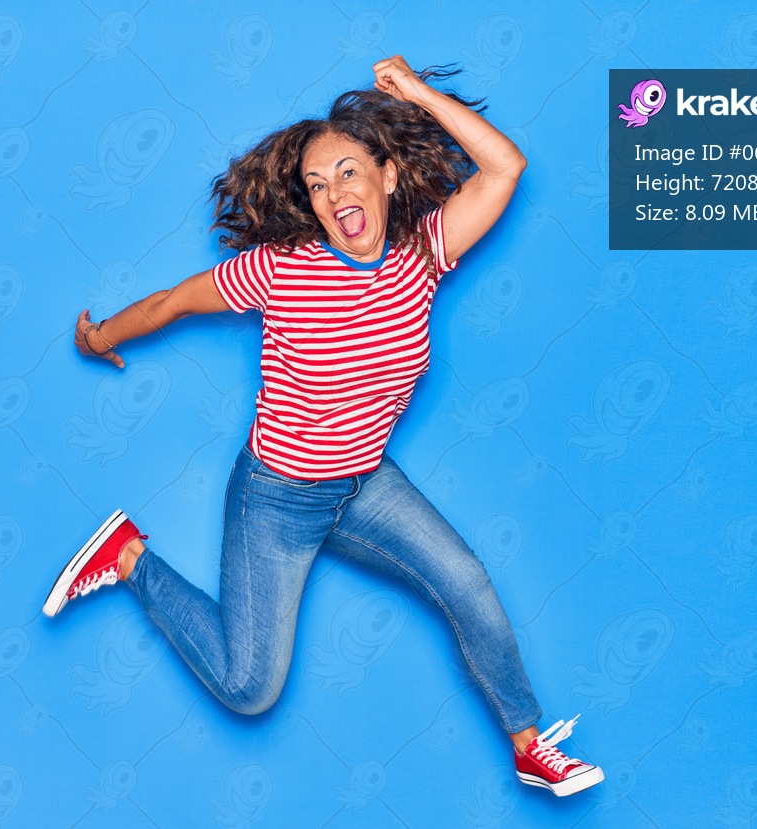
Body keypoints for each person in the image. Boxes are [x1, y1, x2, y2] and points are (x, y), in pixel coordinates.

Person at [43, 55, 603, 798]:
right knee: (250, 689)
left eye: (347, 172)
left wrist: (415, 92)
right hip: (276, 498)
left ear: (387, 177)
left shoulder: (422, 256)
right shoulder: (281, 270)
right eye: (316, 184)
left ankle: (529, 745)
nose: (334, 193)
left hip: (365, 484)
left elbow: (505, 167)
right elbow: (174, 301)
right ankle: (128, 557)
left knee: (466, 580)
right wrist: (100, 337)